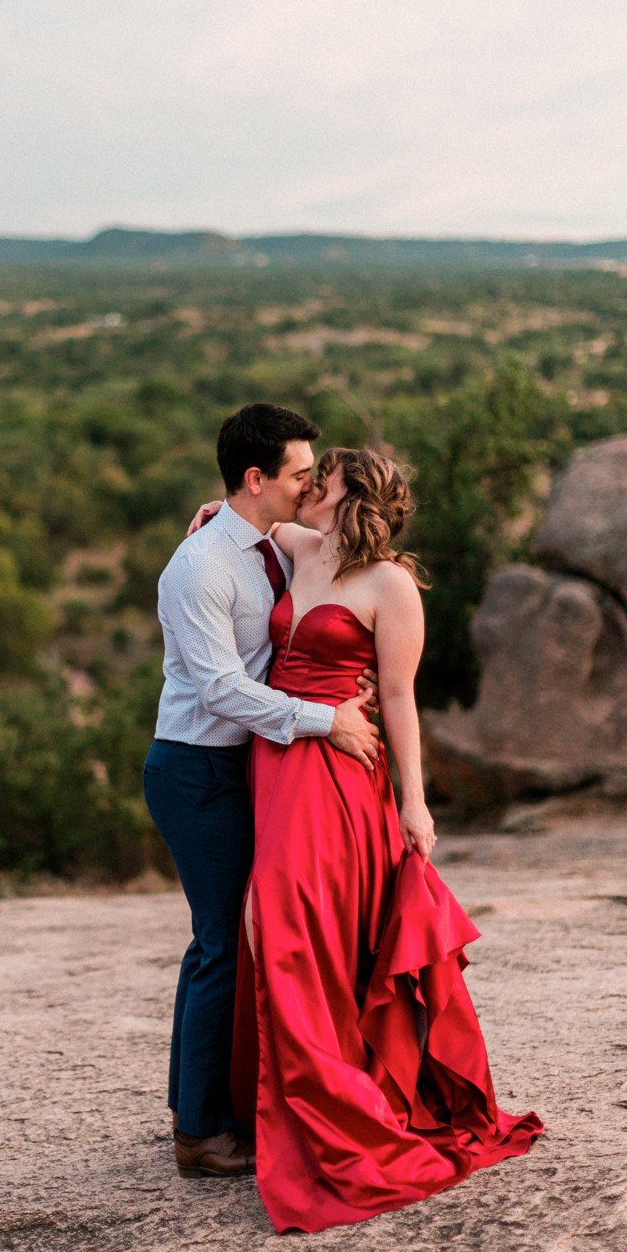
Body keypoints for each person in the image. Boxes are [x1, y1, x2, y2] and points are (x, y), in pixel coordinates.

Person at [231, 446, 542, 1232]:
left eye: (319, 479)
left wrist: (415, 803)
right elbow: (233, 522)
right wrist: (211, 516)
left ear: (348, 494)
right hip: (276, 757)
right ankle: (279, 1101)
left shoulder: (390, 585)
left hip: (342, 767)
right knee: (280, 919)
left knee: (293, 917)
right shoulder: (301, 548)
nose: (307, 487)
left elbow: (399, 698)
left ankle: (334, 1104)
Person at [143, 403, 383, 1179]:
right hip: (197, 768)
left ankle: (203, 1108)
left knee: (233, 943)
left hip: (247, 767)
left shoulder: (262, 544)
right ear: (258, 479)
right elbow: (220, 690)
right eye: (300, 475)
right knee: (220, 944)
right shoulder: (201, 566)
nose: (311, 486)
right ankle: (201, 1137)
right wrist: (327, 720)